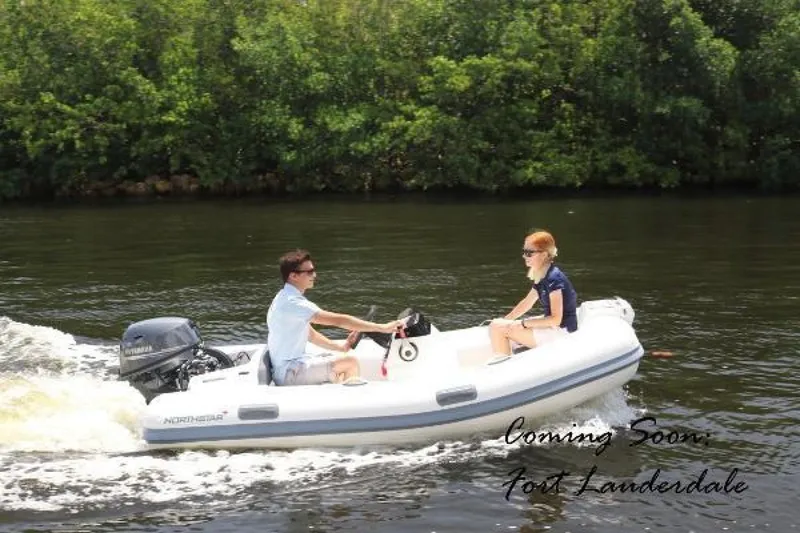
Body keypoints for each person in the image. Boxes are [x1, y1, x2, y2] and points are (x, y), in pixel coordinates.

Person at [267, 249, 405, 386]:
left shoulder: (284, 297)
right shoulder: (293, 303)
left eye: (313, 270)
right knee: (350, 363)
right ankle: (352, 399)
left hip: (288, 369)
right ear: (293, 276)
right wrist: (383, 327)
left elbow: (311, 335)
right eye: (309, 272)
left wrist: (341, 348)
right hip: (289, 373)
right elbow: (339, 320)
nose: (314, 275)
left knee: (340, 364)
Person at [488, 230, 578, 357]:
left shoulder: (554, 279)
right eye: (524, 252)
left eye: (529, 253)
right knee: (497, 324)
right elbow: (527, 303)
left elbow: (556, 320)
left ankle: (502, 365)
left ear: (544, 254)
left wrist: (523, 323)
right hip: (553, 329)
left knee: (499, 329)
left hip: (562, 332)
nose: (524, 256)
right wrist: (506, 320)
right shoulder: (542, 275)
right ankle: (506, 355)